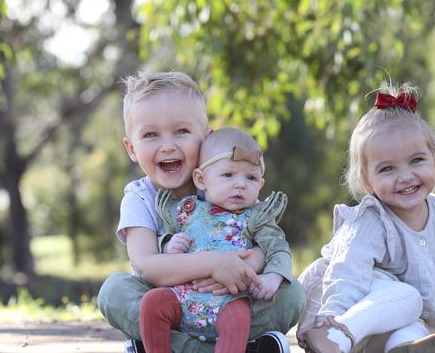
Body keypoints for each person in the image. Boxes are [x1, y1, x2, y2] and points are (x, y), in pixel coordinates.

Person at [96, 71, 305, 353]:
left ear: (206, 138)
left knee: (292, 295)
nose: (167, 145)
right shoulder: (139, 197)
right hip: (167, 310)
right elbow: (147, 265)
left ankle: (162, 346)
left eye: (181, 131)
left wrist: (250, 265)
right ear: (132, 148)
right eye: (150, 135)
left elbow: (264, 241)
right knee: (114, 292)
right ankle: (239, 348)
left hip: (230, 304)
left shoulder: (229, 184)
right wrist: (213, 263)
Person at [297, 82, 435, 353]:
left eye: (416, 161)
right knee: (408, 297)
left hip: (390, 329)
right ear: (367, 182)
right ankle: (337, 338)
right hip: (348, 321)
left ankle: (405, 349)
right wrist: (332, 319)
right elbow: (347, 272)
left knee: (415, 330)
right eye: (387, 168)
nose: (405, 176)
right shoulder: (371, 219)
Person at [139, 127, 294, 353]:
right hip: (182, 298)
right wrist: (168, 243)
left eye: (250, 178)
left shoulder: (256, 218)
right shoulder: (185, 210)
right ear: (201, 180)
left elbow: (278, 247)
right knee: (152, 302)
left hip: (228, 300)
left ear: (260, 184)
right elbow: (161, 235)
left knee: (238, 317)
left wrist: (274, 276)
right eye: (228, 175)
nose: (240, 184)